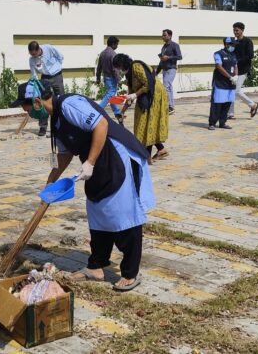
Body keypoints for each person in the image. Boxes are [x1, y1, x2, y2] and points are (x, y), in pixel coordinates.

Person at [9, 81, 155, 291]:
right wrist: (50, 182)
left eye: (27, 108)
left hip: (115, 156)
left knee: (123, 213)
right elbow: (64, 154)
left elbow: (101, 125)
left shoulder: (70, 105)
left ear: (38, 102)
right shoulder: (56, 120)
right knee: (97, 209)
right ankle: (96, 266)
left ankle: (130, 273)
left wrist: (89, 163)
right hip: (95, 160)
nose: (27, 112)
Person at [113, 54, 169, 163]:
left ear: (122, 64)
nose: (118, 71)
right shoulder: (129, 74)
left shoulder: (136, 66)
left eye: (118, 67)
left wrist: (135, 94)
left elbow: (148, 84)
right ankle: (160, 149)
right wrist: (121, 112)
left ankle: (146, 156)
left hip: (154, 94)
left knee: (146, 122)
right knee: (145, 123)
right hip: (146, 95)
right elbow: (130, 95)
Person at [29, 41, 65, 136]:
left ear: (38, 49)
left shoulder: (48, 48)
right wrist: (37, 83)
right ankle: (43, 127)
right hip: (44, 78)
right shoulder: (32, 60)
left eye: (34, 54)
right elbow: (34, 73)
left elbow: (60, 56)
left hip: (57, 76)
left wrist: (57, 67)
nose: (33, 56)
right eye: (31, 54)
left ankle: (61, 126)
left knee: (60, 100)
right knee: (43, 102)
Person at [229, 22, 258, 118]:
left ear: (242, 30)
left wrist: (238, 61)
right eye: (234, 30)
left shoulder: (248, 41)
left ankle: (253, 105)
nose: (235, 32)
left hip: (243, 69)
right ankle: (230, 113)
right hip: (234, 69)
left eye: (237, 30)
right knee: (231, 90)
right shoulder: (234, 42)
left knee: (236, 91)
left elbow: (250, 55)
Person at [209, 38, 238, 130]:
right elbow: (219, 66)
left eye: (234, 45)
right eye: (231, 44)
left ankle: (222, 122)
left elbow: (236, 66)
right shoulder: (218, 54)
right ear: (226, 44)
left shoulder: (233, 54)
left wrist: (236, 76)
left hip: (231, 84)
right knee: (217, 104)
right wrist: (230, 76)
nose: (233, 46)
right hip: (220, 83)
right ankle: (212, 123)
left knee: (227, 104)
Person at [96, 36, 123, 123]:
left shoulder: (102, 53)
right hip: (112, 78)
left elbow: (99, 67)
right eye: (117, 44)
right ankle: (98, 109)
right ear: (113, 44)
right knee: (110, 93)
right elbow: (115, 69)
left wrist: (98, 78)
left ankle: (117, 113)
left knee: (112, 96)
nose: (117, 46)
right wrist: (119, 80)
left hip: (106, 77)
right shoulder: (113, 54)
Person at [157, 29, 182, 115]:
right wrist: (156, 72)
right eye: (162, 35)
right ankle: (171, 106)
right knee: (169, 88)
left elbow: (179, 57)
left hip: (171, 69)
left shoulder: (175, 45)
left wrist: (169, 57)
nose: (162, 36)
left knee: (166, 86)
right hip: (164, 69)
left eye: (164, 35)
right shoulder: (163, 47)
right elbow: (162, 60)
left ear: (170, 36)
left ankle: (170, 107)